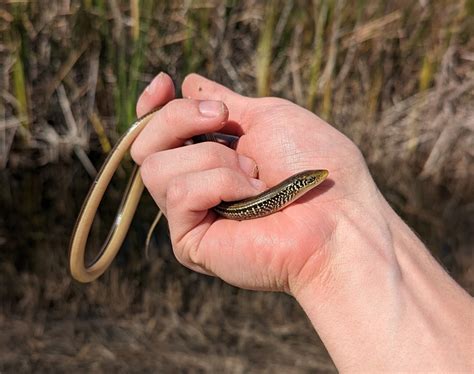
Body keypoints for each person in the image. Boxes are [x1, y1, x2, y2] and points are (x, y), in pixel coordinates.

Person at [130, 72, 473, 372]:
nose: (319, 181)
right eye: (310, 181)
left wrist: (330, 246)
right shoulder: (283, 189)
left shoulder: (297, 195)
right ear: (296, 188)